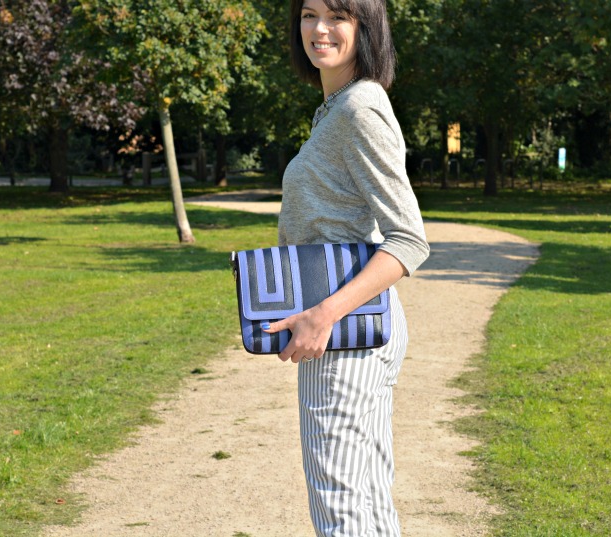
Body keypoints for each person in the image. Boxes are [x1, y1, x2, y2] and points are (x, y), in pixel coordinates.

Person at [262, 0, 429, 535]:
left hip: (344, 333)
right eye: (309, 14)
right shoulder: (337, 108)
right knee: (366, 500)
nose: (319, 28)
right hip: (354, 328)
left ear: (366, 26)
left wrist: (323, 315)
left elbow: (409, 238)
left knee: (342, 506)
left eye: (337, 16)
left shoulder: (360, 108)